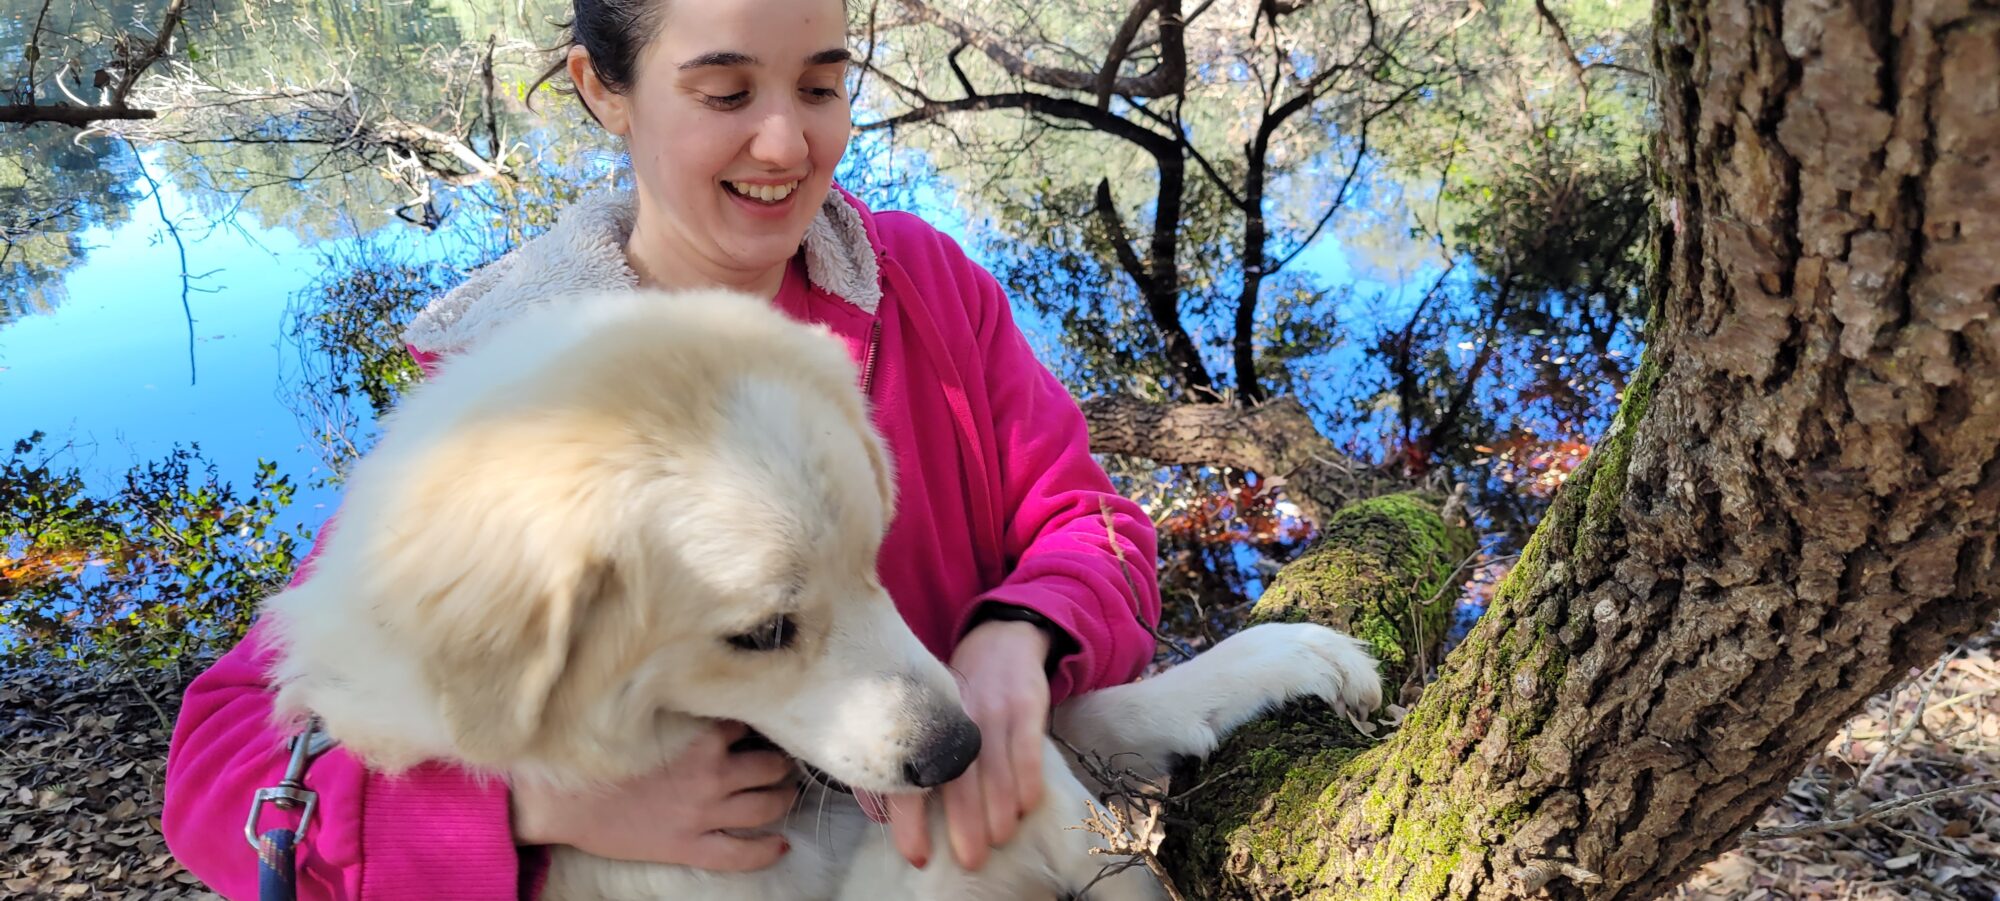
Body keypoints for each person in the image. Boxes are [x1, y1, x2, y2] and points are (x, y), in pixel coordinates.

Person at [160, 0, 1163, 897]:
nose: (786, 140)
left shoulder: (927, 284)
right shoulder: (511, 412)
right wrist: (529, 808)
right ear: (603, 89)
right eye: (724, 91)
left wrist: (1017, 638)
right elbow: (222, 776)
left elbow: (1093, 524)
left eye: (821, 84)